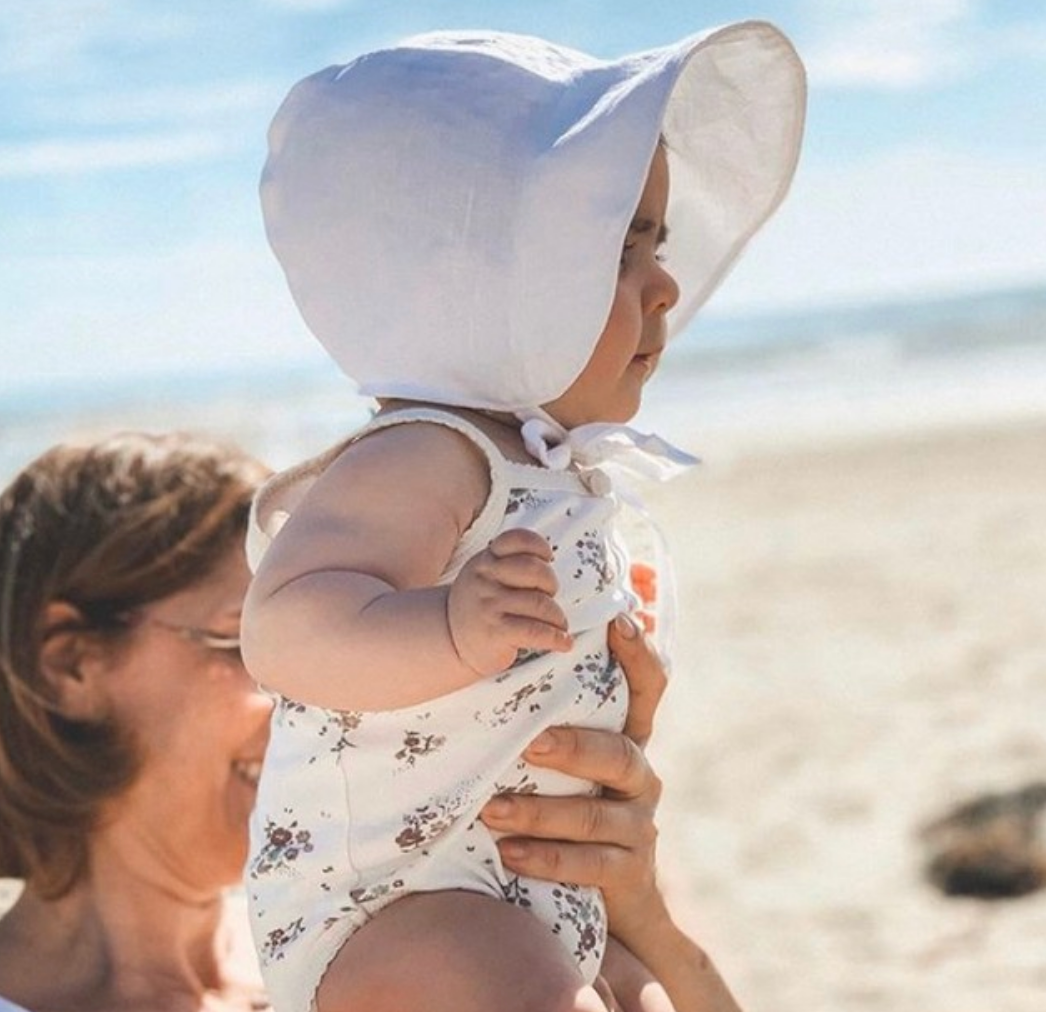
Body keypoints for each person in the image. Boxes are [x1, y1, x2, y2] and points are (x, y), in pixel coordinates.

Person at [242, 23, 805, 1012]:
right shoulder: (427, 452)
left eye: (657, 244)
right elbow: (285, 628)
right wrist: (449, 627)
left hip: (527, 891)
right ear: (475, 284)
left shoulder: (546, 472)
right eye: (620, 249)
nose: (665, 284)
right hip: (399, 898)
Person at [0, 431, 742, 1012]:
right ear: (72, 665)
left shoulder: (424, 943)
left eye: (359, 634)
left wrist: (639, 913)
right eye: (246, 644)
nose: (324, 699)